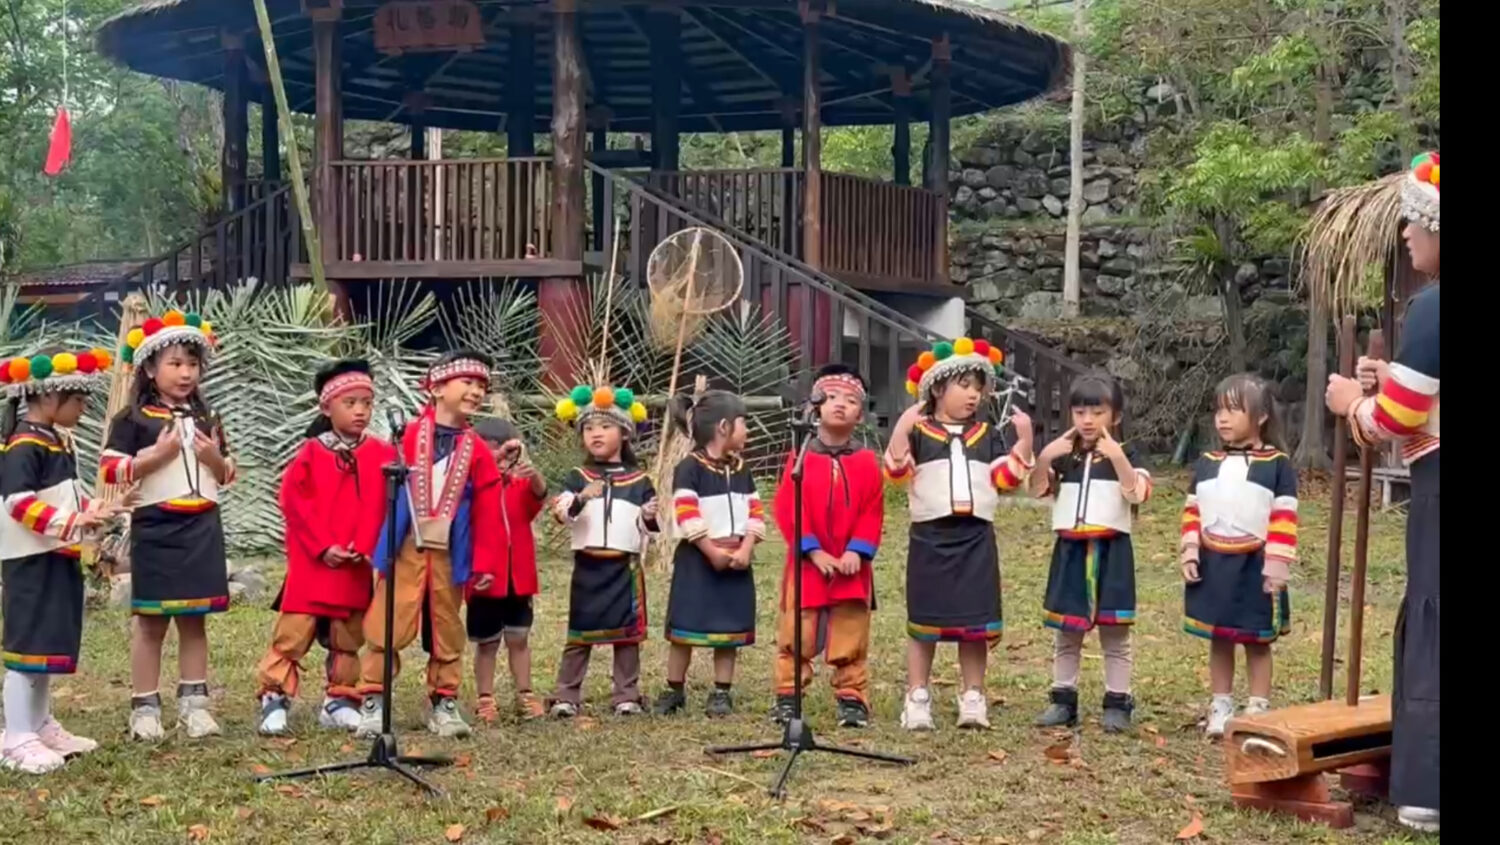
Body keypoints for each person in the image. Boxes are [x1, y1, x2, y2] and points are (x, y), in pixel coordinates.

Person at [1325, 151, 1440, 834]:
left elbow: (1390, 419)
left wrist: (1349, 402)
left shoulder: (1431, 308)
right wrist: (1389, 375)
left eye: (1414, 222)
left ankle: (1427, 785)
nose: (1405, 235)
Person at [884, 337, 1034, 731]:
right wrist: (901, 430)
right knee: (924, 621)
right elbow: (897, 475)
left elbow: (1005, 478)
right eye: (964, 385)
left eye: (978, 387)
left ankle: (973, 694)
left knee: (975, 623)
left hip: (975, 538)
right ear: (937, 388)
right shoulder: (919, 432)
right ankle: (917, 694)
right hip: (930, 537)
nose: (973, 395)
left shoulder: (986, 434)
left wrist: (1025, 443)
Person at [354, 350, 503, 740]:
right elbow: (377, 494)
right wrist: (373, 546)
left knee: (447, 625)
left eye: (481, 386)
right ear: (437, 387)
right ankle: (372, 700)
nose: (475, 391)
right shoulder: (405, 437)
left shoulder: (478, 450)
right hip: (405, 547)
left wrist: (484, 563)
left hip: (450, 552)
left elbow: (488, 508)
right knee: (389, 620)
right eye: (467, 382)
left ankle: (445, 701)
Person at [101, 311, 235, 741]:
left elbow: (228, 472)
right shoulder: (132, 419)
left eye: (192, 364)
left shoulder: (208, 416)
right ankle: (144, 707)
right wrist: (155, 458)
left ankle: (194, 705)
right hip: (157, 527)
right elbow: (110, 469)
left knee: (195, 619)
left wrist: (212, 456)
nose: (185, 373)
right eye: (175, 364)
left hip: (202, 527)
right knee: (151, 622)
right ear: (150, 369)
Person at [256, 359, 394, 735]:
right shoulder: (311, 454)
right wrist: (323, 547)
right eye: (350, 403)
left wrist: (366, 547)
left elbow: (384, 506)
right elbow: (294, 504)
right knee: (294, 633)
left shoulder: (383, 454)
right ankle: (274, 697)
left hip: (355, 563)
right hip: (315, 563)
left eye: (367, 402)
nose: (361, 410)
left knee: (347, 635)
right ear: (326, 407)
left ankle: (340, 699)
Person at [0, 348, 121, 773]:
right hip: (30, 560)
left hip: (55, 554)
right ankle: (15, 735)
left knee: (47, 642)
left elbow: (62, 496)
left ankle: (40, 724)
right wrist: (76, 519)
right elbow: (18, 503)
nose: (84, 407)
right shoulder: (23, 446)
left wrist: (94, 511)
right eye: (79, 400)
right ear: (50, 399)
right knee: (27, 645)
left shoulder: (56, 440)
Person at [1029, 373, 1151, 733]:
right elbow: (1038, 489)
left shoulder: (1127, 453)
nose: (1087, 420)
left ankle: (1118, 701)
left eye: (1096, 411)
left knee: (1115, 633)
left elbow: (1138, 493)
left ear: (1114, 416)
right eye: (1079, 411)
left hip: (1112, 551)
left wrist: (1117, 457)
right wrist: (1046, 456)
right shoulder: (1066, 457)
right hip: (1070, 550)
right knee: (1066, 633)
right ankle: (1063, 700)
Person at [1180, 374, 1297, 738]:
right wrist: (1189, 550)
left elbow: (1284, 515)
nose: (1223, 419)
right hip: (1214, 563)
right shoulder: (1206, 462)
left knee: (1256, 640)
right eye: (1219, 410)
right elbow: (1192, 509)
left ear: (1261, 416)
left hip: (1255, 565)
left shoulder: (1277, 465)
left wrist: (1276, 563)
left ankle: (1258, 706)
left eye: (1233, 410)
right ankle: (1221, 703)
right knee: (1220, 636)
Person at [770, 364, 884, 728]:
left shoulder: (867, 461)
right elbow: (789, 507)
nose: (840, 405)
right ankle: (789, 694)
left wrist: (856, 550)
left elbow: (873, 510)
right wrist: (813, 550)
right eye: (831, 397)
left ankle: (852, 696)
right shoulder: (799, 457)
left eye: (850, 401)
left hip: (852, 565)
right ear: (815, 406)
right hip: (808, 564)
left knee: (850, 630)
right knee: (797, 630)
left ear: (860, 414)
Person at [652, 391, 765, 718]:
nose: (747, 431)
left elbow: (756, 512)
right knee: (684, 630)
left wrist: (745, 547)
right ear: (725, 427)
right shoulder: (689, 468)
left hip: (736, 560)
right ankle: (675, 688)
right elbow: (687, 514)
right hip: (698, 560)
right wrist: (711, 550)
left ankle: (721, 692)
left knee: (728, 632)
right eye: (744, 423)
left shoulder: (743, 469)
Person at [549, 385, 656, 717]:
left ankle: (626, 694)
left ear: (624, 433)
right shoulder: (578, 477)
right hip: (588, 565)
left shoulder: (639, 480)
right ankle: (567, 695)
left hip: (624, 567)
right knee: (580, 633)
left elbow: (651, 527)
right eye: (589, 428)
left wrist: (650, 516)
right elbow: (561, 511)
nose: (596, 434)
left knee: (626, 635)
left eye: (605, 427)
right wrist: (582, 498)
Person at [467, 416, 547, 723]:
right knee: (486, 643)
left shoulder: (520, 484)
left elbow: (538, 498)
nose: (498, 459)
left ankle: (525, 694)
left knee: (519, 638)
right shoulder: (472, 489)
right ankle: (485, 698)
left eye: (504, 452)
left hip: (518, 577)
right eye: (489, 452)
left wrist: (533, 473)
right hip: (485, 578)